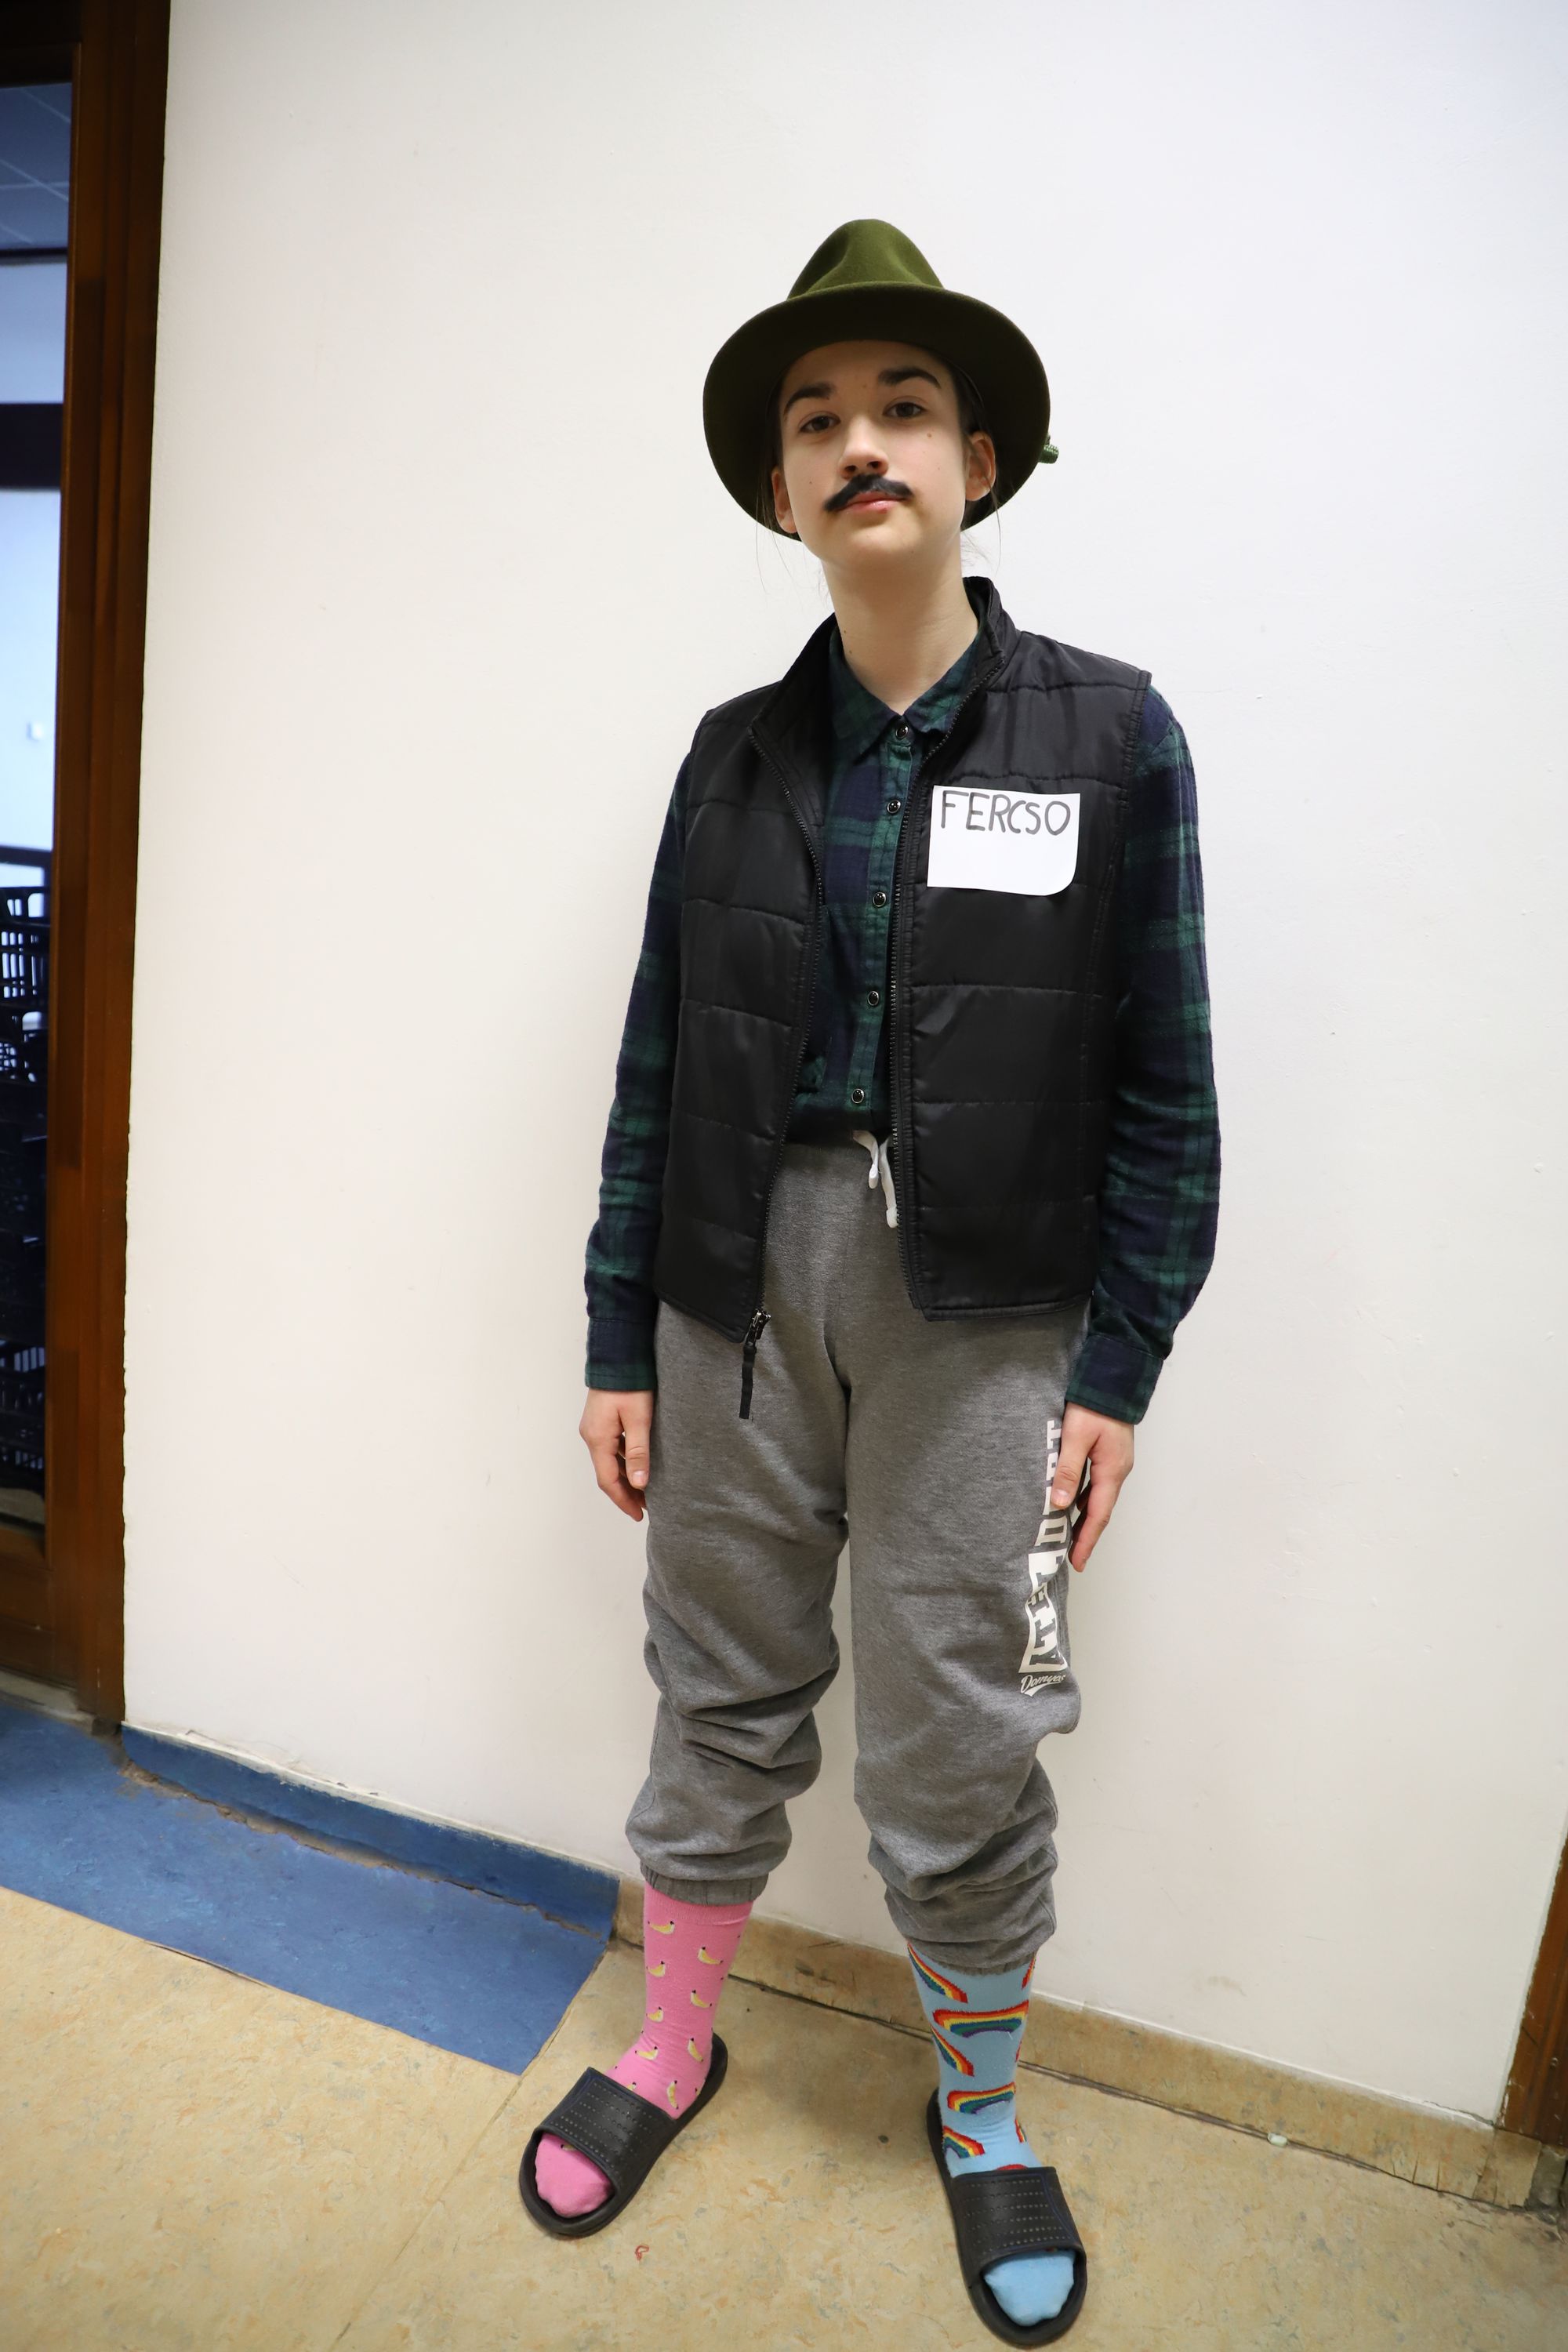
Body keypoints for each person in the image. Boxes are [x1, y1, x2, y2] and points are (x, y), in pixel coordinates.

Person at [517, 219, 1219, 2346]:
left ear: (979, 460)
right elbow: (655, 1061)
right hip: (734, 1290)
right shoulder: (732, 755)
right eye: (816, 420)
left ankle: (980, 2109)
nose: (860, 444)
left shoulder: (1113, 736)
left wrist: (1121, 1364)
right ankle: (672, 2044)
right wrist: (617, 1326)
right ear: (779, 488)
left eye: (903, 406)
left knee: (962, 1722)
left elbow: (1167, 1081)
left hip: (989, 1318)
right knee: (716, 1679)